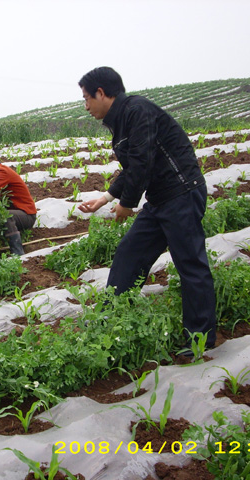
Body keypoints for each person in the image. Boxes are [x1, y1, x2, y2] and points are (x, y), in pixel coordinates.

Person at [77, 66, 216, 350]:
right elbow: (132, 168)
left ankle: (200, 338)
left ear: (101, 93)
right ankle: (112, 319)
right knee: (130, 251)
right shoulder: (122, 119)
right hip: (162, 199)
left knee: (190, 264)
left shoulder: (137, 111)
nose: (86, 106)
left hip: (181, 193)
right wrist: (105, 198)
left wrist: (127, 204)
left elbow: (143, 161)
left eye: (87, 98)